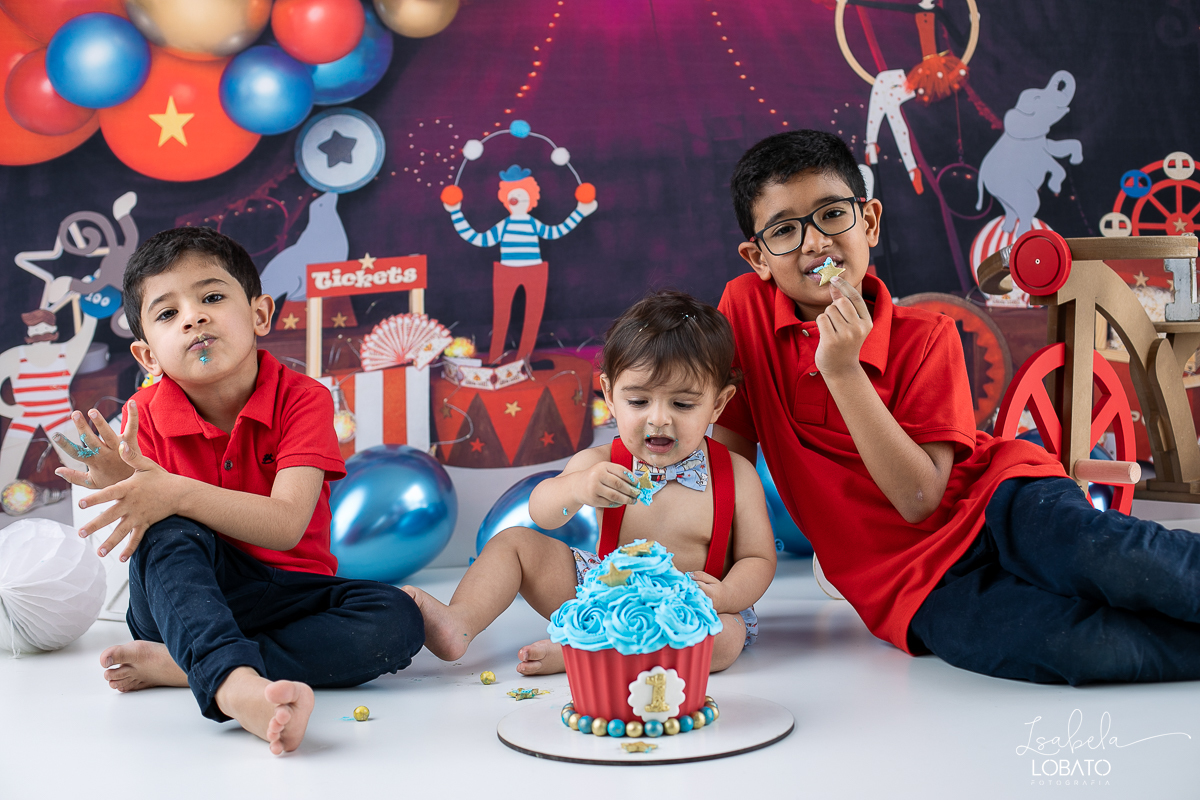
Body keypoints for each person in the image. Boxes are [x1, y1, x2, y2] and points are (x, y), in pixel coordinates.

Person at [714, 129, 1200, 685]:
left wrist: (843, 370)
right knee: (1080, 648)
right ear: (757, 257)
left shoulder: (928, 336)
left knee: (1125, 563)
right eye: (784, 230)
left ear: (868, 222)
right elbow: (726, 468)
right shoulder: (744, 312)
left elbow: (920, 497)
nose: (814, 243)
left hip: (1002, 504)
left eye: (831, 215)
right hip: (913, 588)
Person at [56, 227, 424, 754]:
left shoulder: (303, 400)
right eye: (167, 314)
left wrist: (175, 492)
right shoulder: (143, 420)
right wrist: (125, 485)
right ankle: (235, 686)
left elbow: (285, 524)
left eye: (211, 297)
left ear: (259, 314)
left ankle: (187, 666)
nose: (193, 317)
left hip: (291, 593)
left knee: (397, 621)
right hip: (184, 599)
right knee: (170, 531)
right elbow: (147, 538)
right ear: (147, 356)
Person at [403, 290, 776, 675]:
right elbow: (542, 513)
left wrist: (727, 594)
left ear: (718, 403)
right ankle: (459, 623)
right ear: (610, 396)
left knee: (725, 638)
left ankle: (586, 654)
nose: (659, 419)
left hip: (692, 611)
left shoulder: (735, 474)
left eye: (682, 404)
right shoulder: (599, 462)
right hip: (604, 596)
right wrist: (577, 488)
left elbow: (758, 558)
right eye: (638, 402)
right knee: (513, 543)